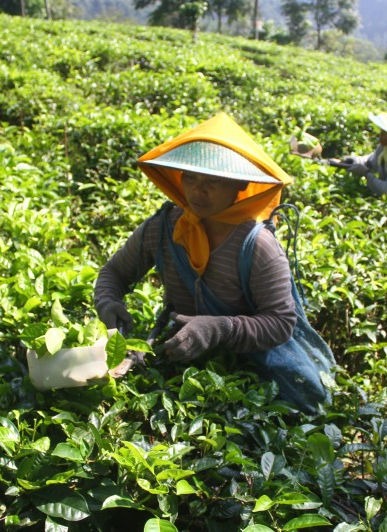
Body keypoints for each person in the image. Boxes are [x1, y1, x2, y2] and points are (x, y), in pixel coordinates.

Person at [93, 112, 333, 412]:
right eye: (190, 177)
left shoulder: (257, 246)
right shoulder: (165, 227)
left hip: (250, 373)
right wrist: (108, 302)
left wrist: (217, 329)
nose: (197, 191)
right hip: (181, 355)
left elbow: (281, 323)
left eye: (214, 181)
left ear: (239, 184)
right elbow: (114, 273)